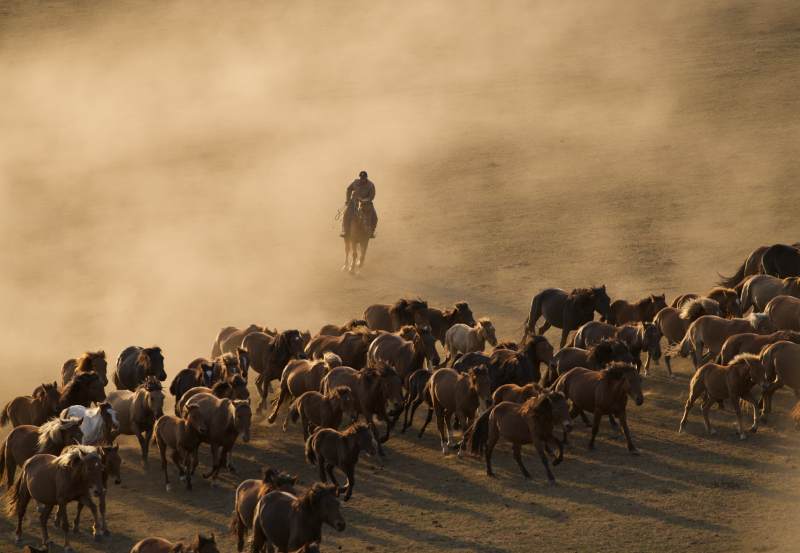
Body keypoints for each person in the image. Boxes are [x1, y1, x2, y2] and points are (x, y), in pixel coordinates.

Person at [340, 170, 378, 238]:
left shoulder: (371, 185)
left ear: (366, 178)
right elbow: (349, 189)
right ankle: (345, 231)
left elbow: (372, 196)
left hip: (366, 204)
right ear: (360, 177)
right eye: (361, 178)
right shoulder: (355, 182)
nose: (362, 179)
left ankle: (372, 232)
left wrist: (364, 200)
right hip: (354, 202)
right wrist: (348, 200)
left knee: (375, 217)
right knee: (346, 215)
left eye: (364, 178)